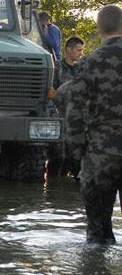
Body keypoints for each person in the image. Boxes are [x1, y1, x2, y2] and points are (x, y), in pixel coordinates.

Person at [65, 4, 122, 244]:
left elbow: (75, 114)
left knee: (97, 237)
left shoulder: (89, 63)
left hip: (100, 156)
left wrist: (74, 156)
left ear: (98, 29)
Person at [48, 36, 86, 177]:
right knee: (57, 157)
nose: (81, 53)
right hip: (59, 118)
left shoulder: (82, 69)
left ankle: (70, 192)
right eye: (78, 50)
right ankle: (52, 188)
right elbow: (50, 92)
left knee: (75, 158)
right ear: (68, 49)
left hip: (78, 121)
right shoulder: (56, 67)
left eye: (82, 50)